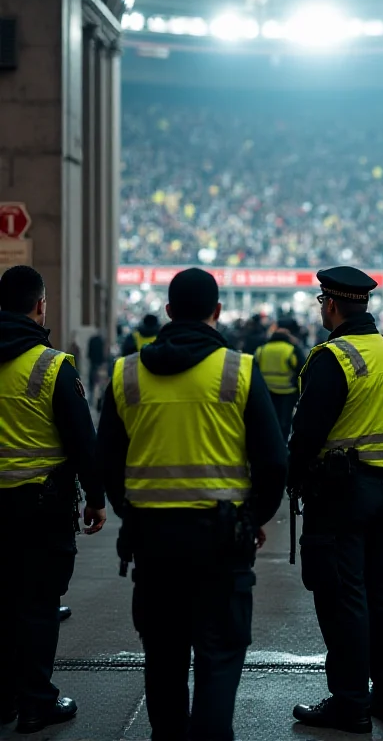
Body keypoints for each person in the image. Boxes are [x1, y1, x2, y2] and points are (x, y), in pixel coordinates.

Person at [96, 267, 287, 741]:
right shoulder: (238, 369)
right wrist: (254, 516)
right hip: (221, 541)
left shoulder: (127, 373)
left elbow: (107, 460)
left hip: (152, 543)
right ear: (217, 313)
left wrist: (131, 511)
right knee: (219, 657)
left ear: (167, 312)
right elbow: (273, 460)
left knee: (162, 658)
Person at [289, 266, 383, 734]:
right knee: (381, 593)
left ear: (332, 304)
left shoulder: (334, 358)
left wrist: (292, 476)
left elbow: (306, 434)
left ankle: (348, 702)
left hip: (341, 495)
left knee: (344, 598)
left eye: (322, 302)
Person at [0, 266, 106, 734]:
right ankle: (36, 702)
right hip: (41, 509)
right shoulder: (51, 365)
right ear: (40, 305)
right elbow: (83, 441)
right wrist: (96, 498)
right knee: (39, 606)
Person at [254, 319, 306, 442]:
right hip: (287, 392)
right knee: (285, 422)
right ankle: (282, 445)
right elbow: (302, 370)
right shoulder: (291, 349)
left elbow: (254, 371)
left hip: (266, 393)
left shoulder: (262, 349)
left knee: (268, 420)